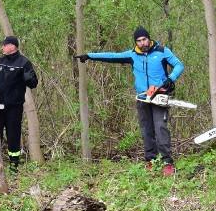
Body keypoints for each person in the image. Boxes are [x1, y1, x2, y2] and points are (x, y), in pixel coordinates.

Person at [76, 26, 184, 177]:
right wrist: (89, 55)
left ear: (149, 38)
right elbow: (112, 56)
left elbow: (179, 65)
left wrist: (171, 79)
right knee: (146, 130)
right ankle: (151, 161)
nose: (142, 43)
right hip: (142, 97)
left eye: (144, 39)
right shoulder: (132, 55)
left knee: (161, 129)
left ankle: (168, 163)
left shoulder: (162, 51)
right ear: (136, 42)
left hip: (160, 95)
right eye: (139, 41)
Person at [0, 36, 38, 176]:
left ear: (12, 46)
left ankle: (14, 167)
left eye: (4, 45)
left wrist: (29, 78)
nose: (2, 47)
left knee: (13, 135)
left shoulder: (24, 63)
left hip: (14, 107)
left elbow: (33, 84)